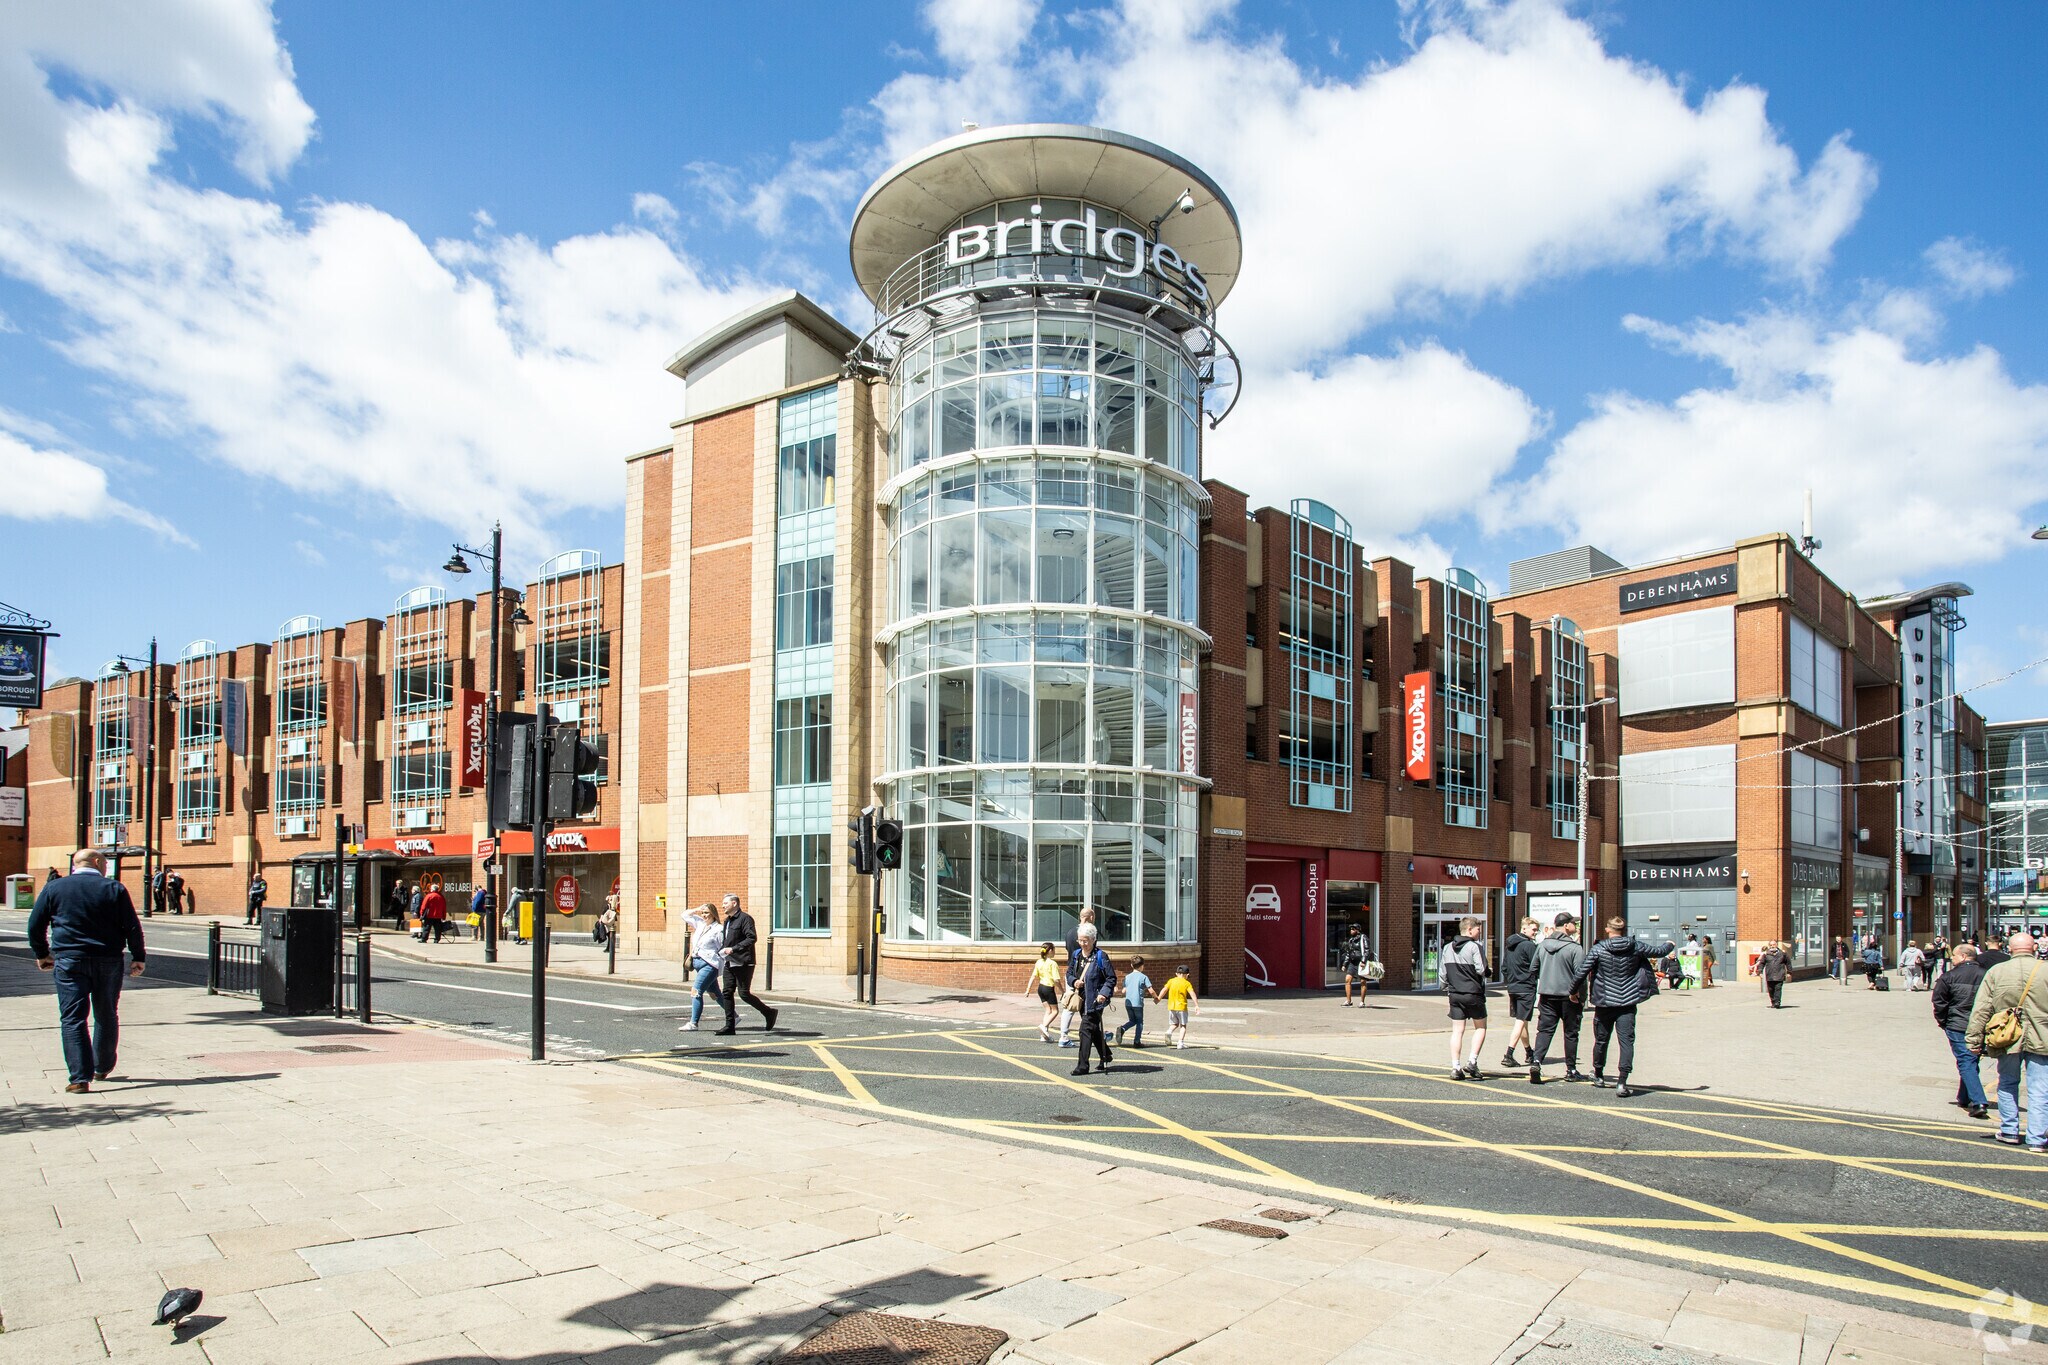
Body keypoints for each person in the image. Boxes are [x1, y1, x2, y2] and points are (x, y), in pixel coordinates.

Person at [28, 850, 146, 1093]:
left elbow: (34, 924)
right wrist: (138, 957)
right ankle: (102, 1066)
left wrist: (42, 953)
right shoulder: (114, 888)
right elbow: (132, 926)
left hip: (70, 960)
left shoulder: (55, 888)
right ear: (98, 862)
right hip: (108, 959)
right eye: (105, 864)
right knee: (106, 1013)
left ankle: (79, 1078)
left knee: (72, 1017)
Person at [1571, 917, 1677, 1097]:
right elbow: (1658, 951)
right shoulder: (1635, 946)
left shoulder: (1599, 948)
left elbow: (1582, 970)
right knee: (1626, 1041)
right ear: (1623, 930)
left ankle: (1598, 1075)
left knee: (1602, 1040)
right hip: (1628, 1002)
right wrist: (1670, 944)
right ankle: (1622, 1081)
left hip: (1604, 1002)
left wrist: (1573, 991)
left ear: (1607, 929)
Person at [1965, 931, 2046, 1151]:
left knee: (2008, 1083)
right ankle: (2037, 1138)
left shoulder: (1997, 972)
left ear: (2009, 949)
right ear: (2034, 948)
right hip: (2042, 1036)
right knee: (2040, 1088)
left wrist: (1973, 1040)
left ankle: (2009, 1130)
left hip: (2006, 1037)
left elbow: (1981, 1009)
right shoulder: (2045, 970)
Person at [1931, 943, 1989, 1119]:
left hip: (1958, 1025)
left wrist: (1943, 1021)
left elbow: (1939, 1001)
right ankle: (1963, 1097)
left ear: (1963, 956)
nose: (1952, 958)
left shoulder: (1949, 976)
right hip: (1982, 1025)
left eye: (1954, 956)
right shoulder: (1987, 975)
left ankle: (1978, 1101)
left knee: (1966, 1060)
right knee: (1971, 1059)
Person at [1528, 915, 1587, 1085]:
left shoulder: (1543, 945)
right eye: (1573, 923)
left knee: (1544, 1030)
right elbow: (1580, 975)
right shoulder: (1575, 948)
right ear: (1566, 926)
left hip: (1547, 995)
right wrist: (1579, 996)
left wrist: (1547, 979)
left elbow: (1533, 969)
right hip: (1569, 996)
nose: (1575, 925)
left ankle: (1537, 1062)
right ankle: (1571, 1069)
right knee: (1570, 1033)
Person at [715, 893, 777, 1036]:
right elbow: (727, 939)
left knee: (744, 994)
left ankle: (769, 1012)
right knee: (727, 992)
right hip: (729, 961)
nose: (723, 905)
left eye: (725, 903)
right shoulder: (727, 921)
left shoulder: (745, 919)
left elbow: (752, 938)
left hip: (743, 961)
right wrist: (724, 951)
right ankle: (729, 1026)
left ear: (734, 903)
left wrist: (734, 949)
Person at [1441, 917, 1491, 1081]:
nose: (1479, 932)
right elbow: (1481, 969)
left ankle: (1455, 1067)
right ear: (1469, 929)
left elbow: (1443, 973)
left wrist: (1445, 987)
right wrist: (1488, 971)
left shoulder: (1448, 947)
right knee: (1481, 1027)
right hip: (1473, 993)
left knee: (1457, 1031)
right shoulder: (1475, 947)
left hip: (1455, 994)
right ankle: (1472, 1061)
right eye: (1478, 929)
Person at [1071, 924, 1115, 1076]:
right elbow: (1069, 972)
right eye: (1080, 940)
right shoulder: (1076, 955)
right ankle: (1106, 1054)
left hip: (1096, 1001)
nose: (1083, 944)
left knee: (1085, 1030)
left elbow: (1111, 978)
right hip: (1081, 999)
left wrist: (1103, 993)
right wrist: (1074, 981)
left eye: (1086, 941)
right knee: (1093, 1029)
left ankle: (1082, 1066)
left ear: (1093, 940)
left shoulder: (1101, 956)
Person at [1499, 918, 1540, 1070]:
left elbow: (1504, 967)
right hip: (1526, 988)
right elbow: (1537, 966)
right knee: (1521, 1020)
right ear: (1524, 929)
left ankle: (1529, 1052)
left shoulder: (1510, 945)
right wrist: (1531, 977)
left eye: (1536, 930)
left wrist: (1512, 979)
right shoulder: (1529, 946)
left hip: (1513, 987)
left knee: (1522, 1021)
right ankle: (1508, 1054)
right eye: (1533, 929)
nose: (1535, 932)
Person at [680, 902, 723, 1032]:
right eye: (703, 913)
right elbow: (684, 915)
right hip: (697, 962)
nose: (704, 915)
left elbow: (722, 948)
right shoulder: (700, 923)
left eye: (707, 913)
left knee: (696, 991)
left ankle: (693, 1023)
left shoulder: (719, 929)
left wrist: (722, 966)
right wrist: (698, 909)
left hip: (710, 964)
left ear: (714, 914)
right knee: (715, 993)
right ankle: (733, 1015)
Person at [1024, 942, 1063, 1043]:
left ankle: (1043, 1035)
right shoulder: (1052, 964)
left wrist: (1028, 989)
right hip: (1048, 988)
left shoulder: (1039, 962)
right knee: (1055, 1011)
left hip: (1040, 988)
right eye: (1054, 950)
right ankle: (1044, 1026)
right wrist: (1063, 991)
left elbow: (1033, 976)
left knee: (1048, 1010)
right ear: (1050, 951)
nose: (1055, 952)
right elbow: (1056, 980)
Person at [1114, 956, 1154, 1048]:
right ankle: (1137, 1042)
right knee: (1139, 1022)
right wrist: (1156, 998)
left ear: (1132, 965)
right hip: (1138, 1003)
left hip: (1128, 1003)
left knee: (1132, 1020)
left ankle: (1123, 1028)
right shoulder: (1143, 977)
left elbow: (1124, 991)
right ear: (1142, 966)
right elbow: (1151, 990)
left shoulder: (1127, 977)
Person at [1161, 965, 1198, 1049]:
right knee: (1183, 1025)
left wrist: (1159, 998)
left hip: (1171, 1006)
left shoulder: (1171, 981)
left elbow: (1164, 990)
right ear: (1186, 975)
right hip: (1181, 1007)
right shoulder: (1187, 983)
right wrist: (1196, 1005)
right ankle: (1180, 1043)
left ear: (1176, 974)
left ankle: (1169, 1031)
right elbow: (1192, 994)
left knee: (1174, 1023)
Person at [1339, 924, 1373, 1006]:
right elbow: (1348, 953)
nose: (1351, 930)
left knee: (1363, 982)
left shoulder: (1363, 938)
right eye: (1351, 929)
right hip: (1352, 963)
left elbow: (1367, 950)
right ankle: (1348, 1000)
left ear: (1357, 930)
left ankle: (1362, 1002)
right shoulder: (1351, 940)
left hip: (1361, 963)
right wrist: (1344, 964)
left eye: (1353, 929)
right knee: (1347, 980)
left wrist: (1363, 961)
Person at [1752, 940, 1791, 1008]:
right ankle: (1773, 1002)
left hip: (1780, 974)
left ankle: (1777, 1002)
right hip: (1770, 975)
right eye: (1771, 945)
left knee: (1778, 988)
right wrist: (1760, 972)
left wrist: (1789, 972)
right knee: (1771, 989)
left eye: (1774, 944)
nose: (1772, 946)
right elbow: (1762, 963)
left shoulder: (1783, 954)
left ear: (1777, 945)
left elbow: (1788, 963)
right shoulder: (1766, 954)